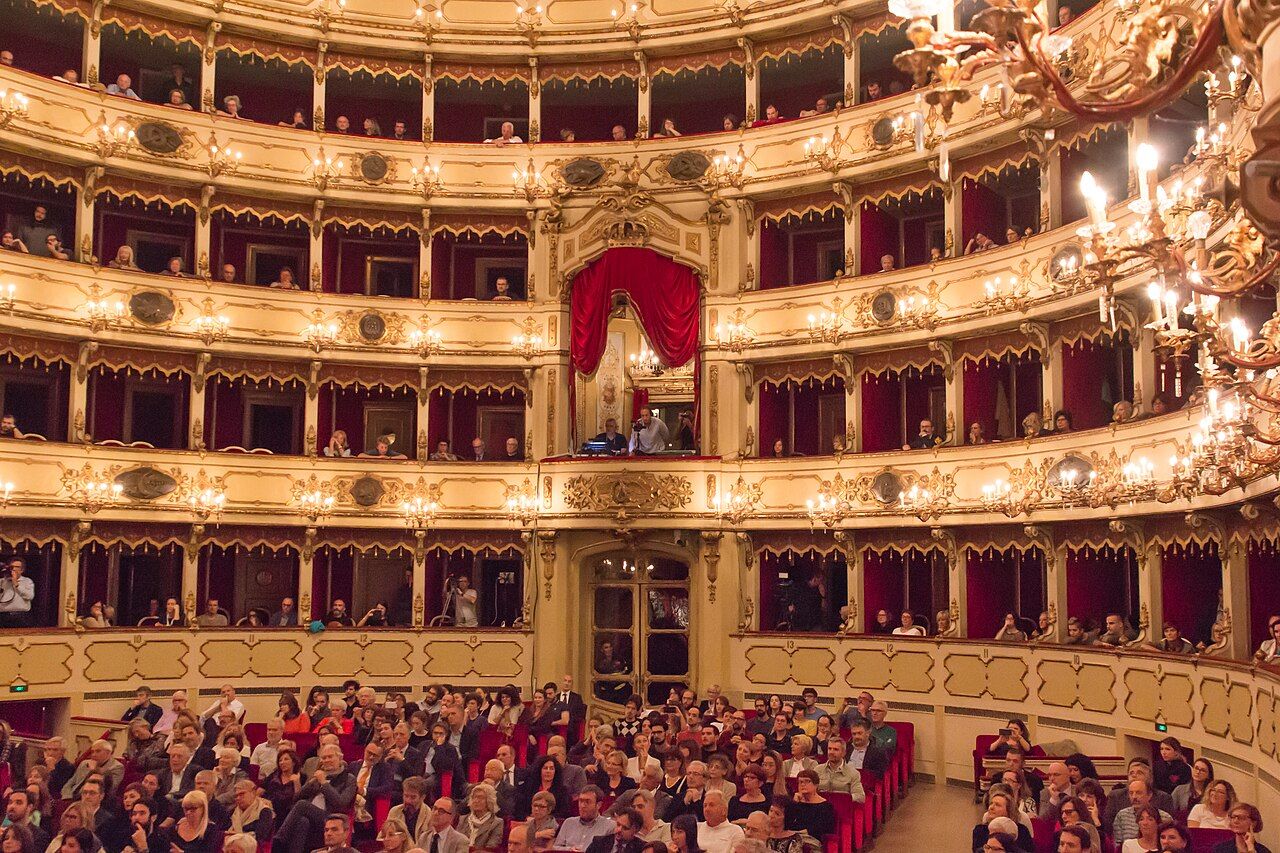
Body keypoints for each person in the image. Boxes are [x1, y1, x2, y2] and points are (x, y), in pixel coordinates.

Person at [272, 744, 355, 853]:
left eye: (330, 757)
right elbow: (296, 797)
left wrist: (324, 784)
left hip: (331, 817)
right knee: (302, 822)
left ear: (340, 758)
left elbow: (341, 804)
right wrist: (311, 782)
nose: (326, 760)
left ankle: (278, 841)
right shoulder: (319, 775)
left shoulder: (349, 778)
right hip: (312, 817)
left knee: (302, 804)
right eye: (324, 758)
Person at [784, 771, 832, 842]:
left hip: (810, 840)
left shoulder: (825, 806)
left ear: (816, 785)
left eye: (807, 781)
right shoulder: (795, 802)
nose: (803, 784)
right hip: (791, 837)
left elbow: (821, 829)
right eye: (800, 782)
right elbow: (786, 823)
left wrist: (797, 833)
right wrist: (793, 803)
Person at [0, 556, 35, 628]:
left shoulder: (27, 581)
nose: (14, 569)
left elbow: (29, 596)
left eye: (17, 567)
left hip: (21, 616)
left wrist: (16, 584)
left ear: (22, 570)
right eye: (12, 567)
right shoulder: (2, 581)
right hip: (3, 616)